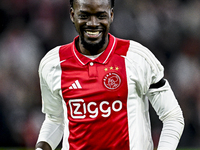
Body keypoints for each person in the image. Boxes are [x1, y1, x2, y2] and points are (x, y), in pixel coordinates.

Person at [35, 0, 184, 150]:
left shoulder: (138, 58)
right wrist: (41, 147)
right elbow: (55, 120)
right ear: (72, 15)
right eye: (84, 16)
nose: (93, 23)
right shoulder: (52, 63)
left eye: (100, 16)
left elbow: (173, 117)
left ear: (111, 15)